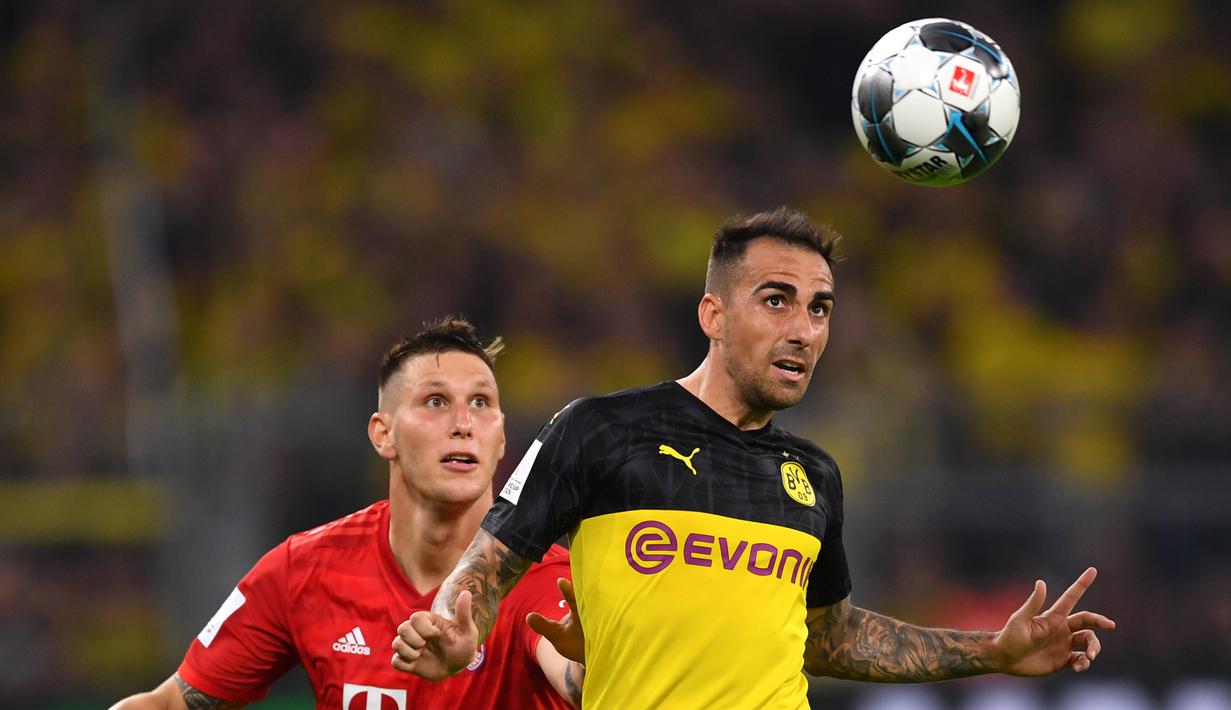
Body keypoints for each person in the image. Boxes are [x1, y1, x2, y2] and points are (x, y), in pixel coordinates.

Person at [390, 208, 1116, 708]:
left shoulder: (814, 477)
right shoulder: (598, 431)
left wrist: (992, 652)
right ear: (713, 315)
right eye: (776, 301)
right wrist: (457, 628)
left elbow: (830, 639)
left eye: (819, 308)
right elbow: (487, 566)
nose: (802, 329)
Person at [112, 317, 584, 709]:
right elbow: (172, 703)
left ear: (501, 439)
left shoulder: (543, 576)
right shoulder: (306, 569)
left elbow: (575, 676)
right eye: (436, 401)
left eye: (481, 403)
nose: (463, 424)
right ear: (383, 435)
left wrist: (595, 661)